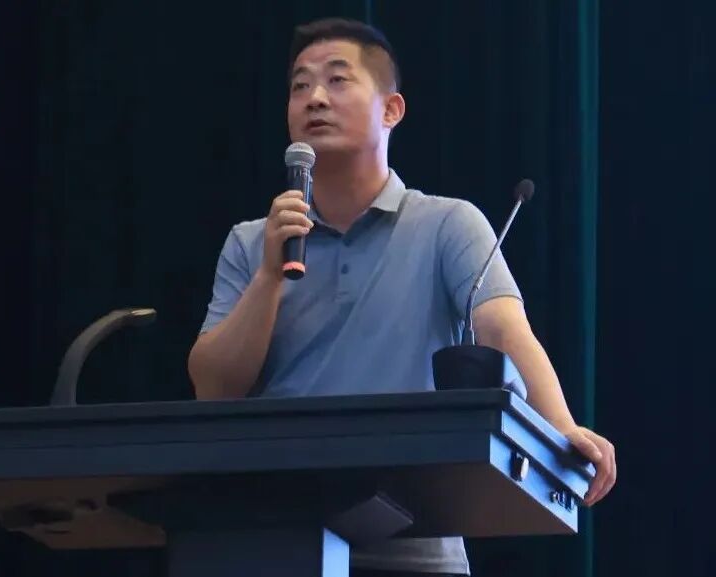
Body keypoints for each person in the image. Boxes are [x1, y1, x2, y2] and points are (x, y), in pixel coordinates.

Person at [188, 17, 616, 577]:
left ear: (391, 110)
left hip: (417, 537)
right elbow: (213, 388)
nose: (314, 98)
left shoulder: (447, 224)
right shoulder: (252, 242)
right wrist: (270, 274)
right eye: (299, 85)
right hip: (274, 535)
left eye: (337, 80)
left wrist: (562, 428)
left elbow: (504, 331)